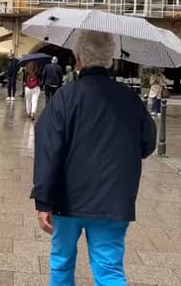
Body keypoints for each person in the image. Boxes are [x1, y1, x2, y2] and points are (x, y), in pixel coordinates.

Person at [32, 29, 157, 286]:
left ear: (78, 59)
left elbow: (48, 149)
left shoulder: (65, 98)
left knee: (62, 264)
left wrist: (43, 200)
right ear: (109, 59)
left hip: (67, 200)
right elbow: (147, 144)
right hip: (113, 200)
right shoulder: (130, 99)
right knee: (109, 271)